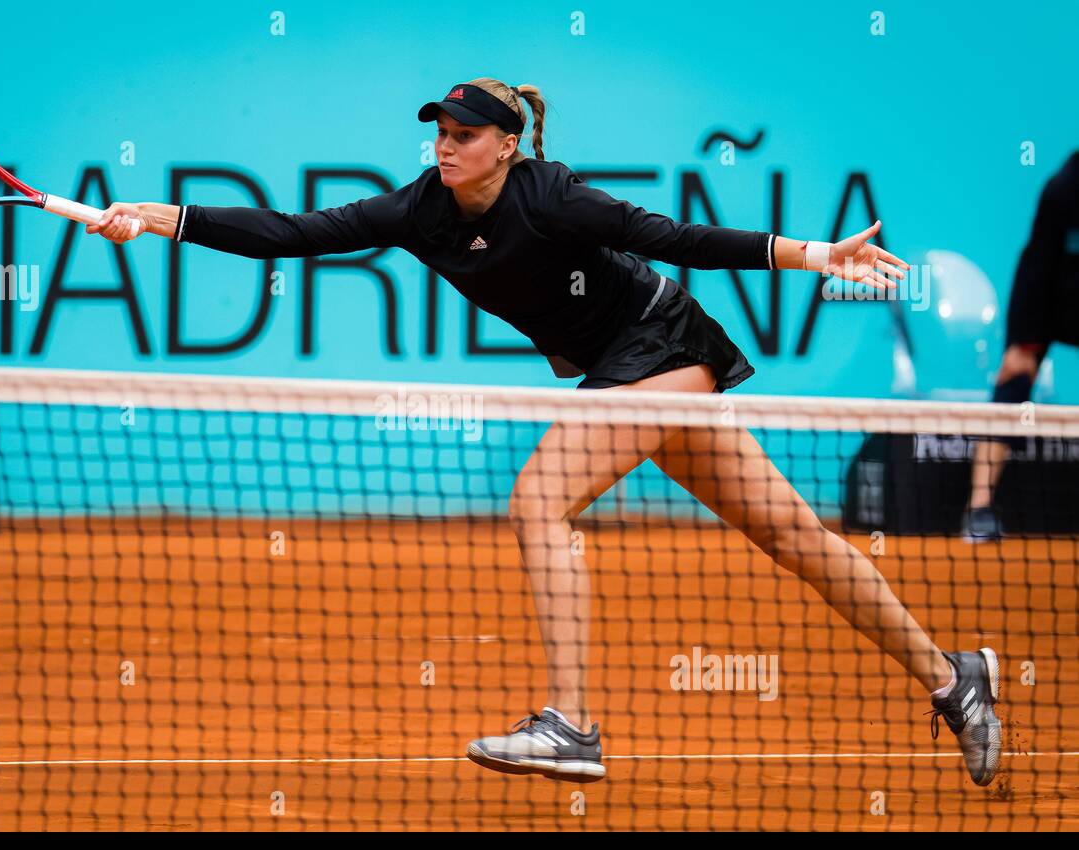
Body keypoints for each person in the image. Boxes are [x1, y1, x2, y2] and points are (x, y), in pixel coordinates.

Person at [87, 78, 1002, 786]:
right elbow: (292, 231)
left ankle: (571, 725)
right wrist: (158, 218)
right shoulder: (420, 208)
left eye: (464, 135)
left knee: (539, 500)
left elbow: (673, 234)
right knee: (793, 537)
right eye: (439, 133)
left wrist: (811, 254)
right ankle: (953, 675)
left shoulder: (551, 195)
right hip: (623, 363)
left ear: (507, 147)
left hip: (662, 343)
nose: (444, 147)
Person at [964, 152, 1079, 541]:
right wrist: (1023, 346)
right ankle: (979, 509)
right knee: (1012, 386)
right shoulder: (1064, 187)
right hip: (1050, 300)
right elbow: (1036, 268)